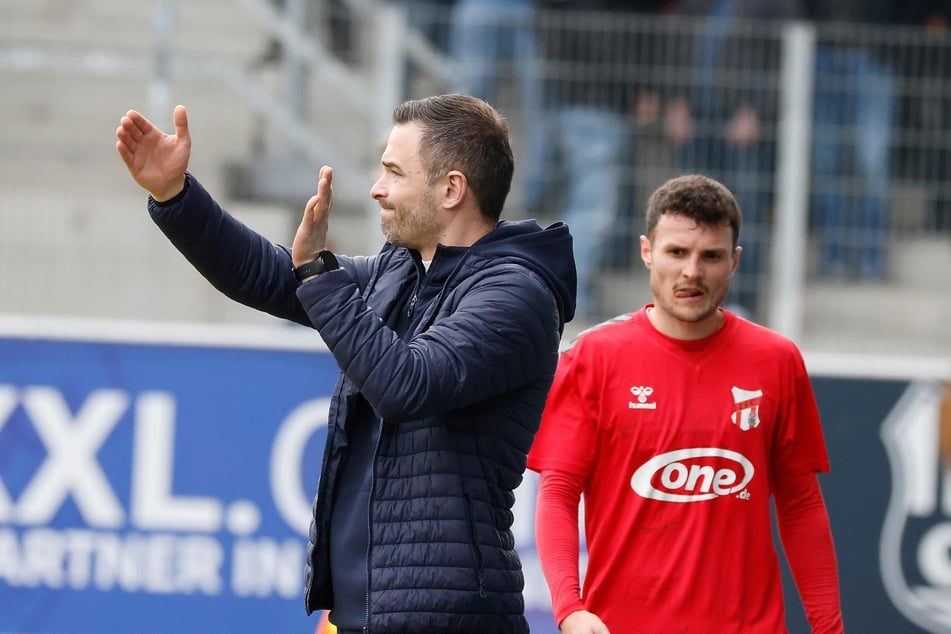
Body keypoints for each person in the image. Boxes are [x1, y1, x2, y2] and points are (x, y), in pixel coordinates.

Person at [115, 93, 576, 633]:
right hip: (361, 617)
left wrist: (319, 277)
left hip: (447, 620)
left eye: (393, 172)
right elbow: (270, 276)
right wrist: (175, 196)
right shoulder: (404, 270)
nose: (377, 188)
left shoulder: (516, 293)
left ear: (451, 189)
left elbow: (406, 383)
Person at [527, 174, 843, 633]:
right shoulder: (593, 359)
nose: (692, 272)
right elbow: (558, 494)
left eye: (710, 256)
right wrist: (570, 608)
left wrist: (829, 627)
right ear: (647, 252)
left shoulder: (776, 361)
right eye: (677, 252)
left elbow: (801, 505)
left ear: (734, 262)